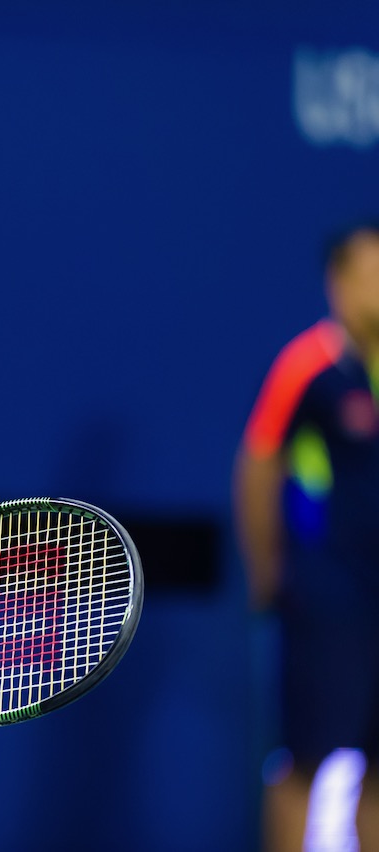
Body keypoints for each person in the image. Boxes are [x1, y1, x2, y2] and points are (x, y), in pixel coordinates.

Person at [234, 222, 379, 852]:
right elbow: (258, 467)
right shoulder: (306, 367)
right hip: (325, 600)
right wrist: (268, 573)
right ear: (339, 284)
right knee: (303, 759)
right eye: (371, 274)